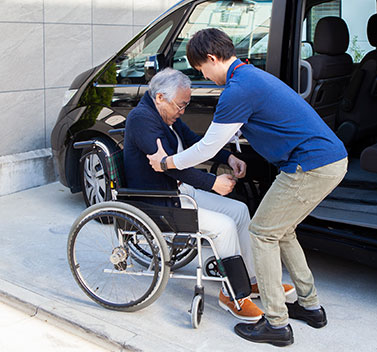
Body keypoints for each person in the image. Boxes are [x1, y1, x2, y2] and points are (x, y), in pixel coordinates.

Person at [147, 29, 348, 347]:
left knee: (262, 233)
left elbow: (206, 149)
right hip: (328, 160)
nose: (205, 76)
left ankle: (276, 324)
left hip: (310, 165)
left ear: (212, 59)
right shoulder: (251, 76)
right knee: (282, 231)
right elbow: (230, 138)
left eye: (202, 69)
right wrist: (232, 156)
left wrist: (167, 163)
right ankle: (311, 308)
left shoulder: (237, 90)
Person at [123, 68, 294, 322]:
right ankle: (233, 295)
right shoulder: (142, 120)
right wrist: (212, 182)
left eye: (186, 105)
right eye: (180, 106)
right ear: (160, 97)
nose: (182, 111)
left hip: (178, 192)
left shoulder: (166, 115)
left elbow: (194, 141)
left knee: (239, 211)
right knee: (223, 226)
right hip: (157, 201)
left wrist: (228, 157)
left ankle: (251, 280)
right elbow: (168, 168)